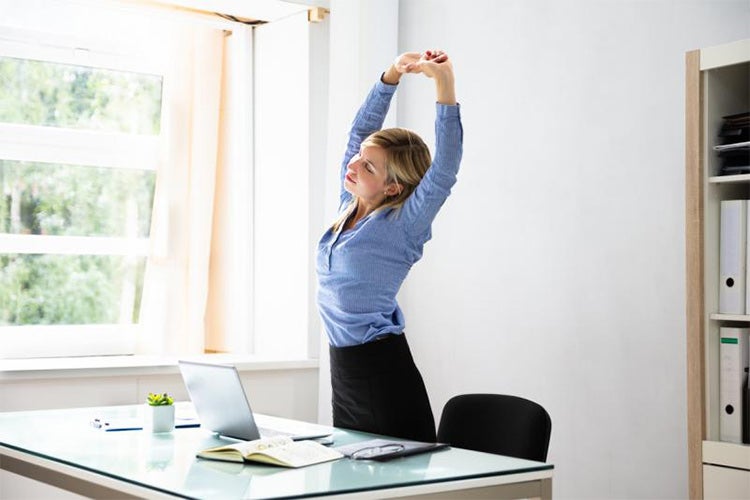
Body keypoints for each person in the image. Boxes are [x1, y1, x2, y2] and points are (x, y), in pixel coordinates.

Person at [316, 49, 462, 443]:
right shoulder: (349, 205)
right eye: (360, 158)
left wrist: (443, 82)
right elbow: (359, 131)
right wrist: (392, 74)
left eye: (368, 166)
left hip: (381, 372)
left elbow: (444, 169)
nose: (353, 165)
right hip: (343, 368)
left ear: (392, 187)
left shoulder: (404, 224)